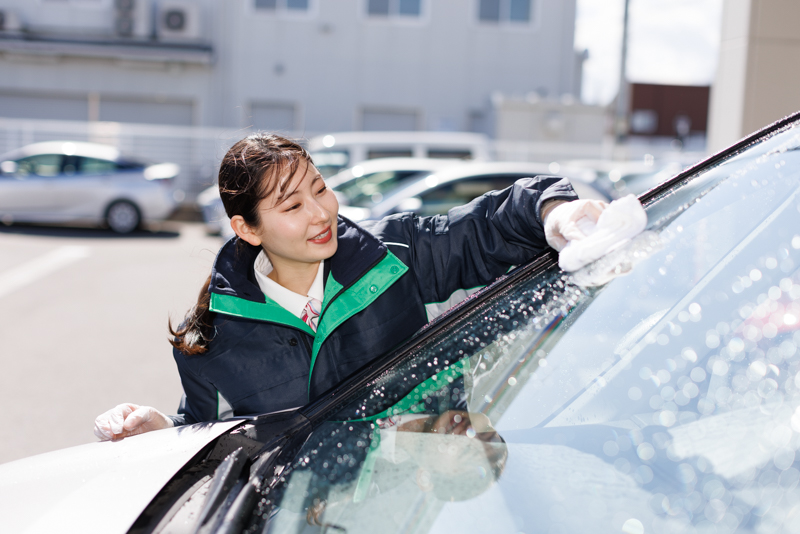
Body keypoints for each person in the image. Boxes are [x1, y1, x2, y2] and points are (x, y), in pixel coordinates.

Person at [93, 133, 630, 441]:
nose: (321, 212)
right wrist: (159, 427)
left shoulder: (390, 255)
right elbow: (205, 433)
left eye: (320, 189)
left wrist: (555, 213)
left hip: (433, 500)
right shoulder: (212, 340)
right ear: (247, 229)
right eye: (292, 205)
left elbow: (489, 227)